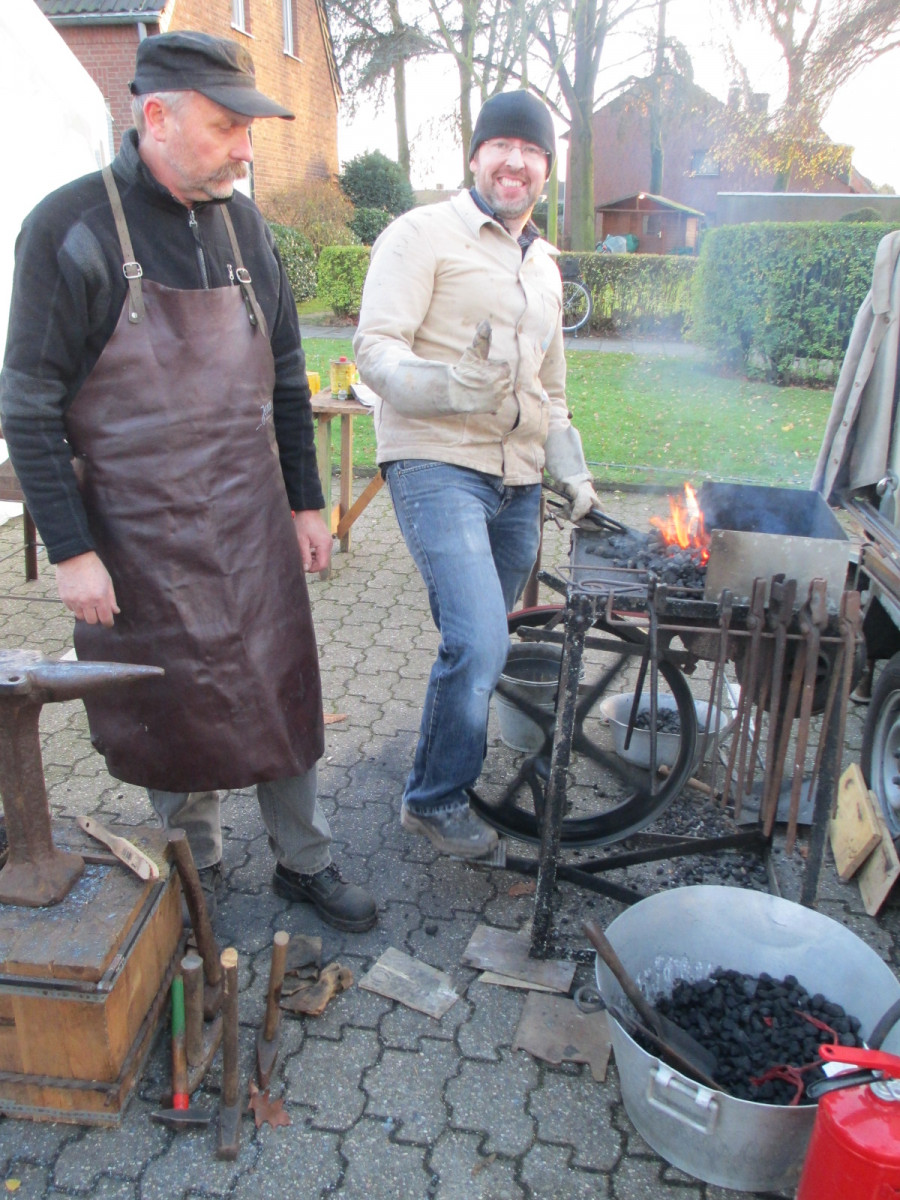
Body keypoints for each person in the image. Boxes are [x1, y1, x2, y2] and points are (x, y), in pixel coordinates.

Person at [0, 31, 376, 932]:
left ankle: (304, 859)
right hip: (138, 536)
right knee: (172, 704)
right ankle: (191, 872)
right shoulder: (70, 229)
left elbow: (286, 381)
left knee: (283, 687)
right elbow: (28, 406)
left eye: (248, 129)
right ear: (157, 116)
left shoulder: (246, 228)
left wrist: (307, 501)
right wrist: (73, 551)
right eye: (226, 127)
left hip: (252, 518)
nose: (246, 150)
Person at [354, 90, 599, 858]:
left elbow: (552, 389)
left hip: (517, 477)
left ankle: (437, 771)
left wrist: (573, 471)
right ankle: (435, 799)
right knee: (481, 640)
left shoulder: (545, 266)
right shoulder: (420, 234)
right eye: (502, 147)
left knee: (475, 642)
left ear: (547, 168)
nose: (515, 163)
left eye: (532, 152)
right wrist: (450, 386)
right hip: (436, 462)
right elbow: (376, 350)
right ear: (476, 156)